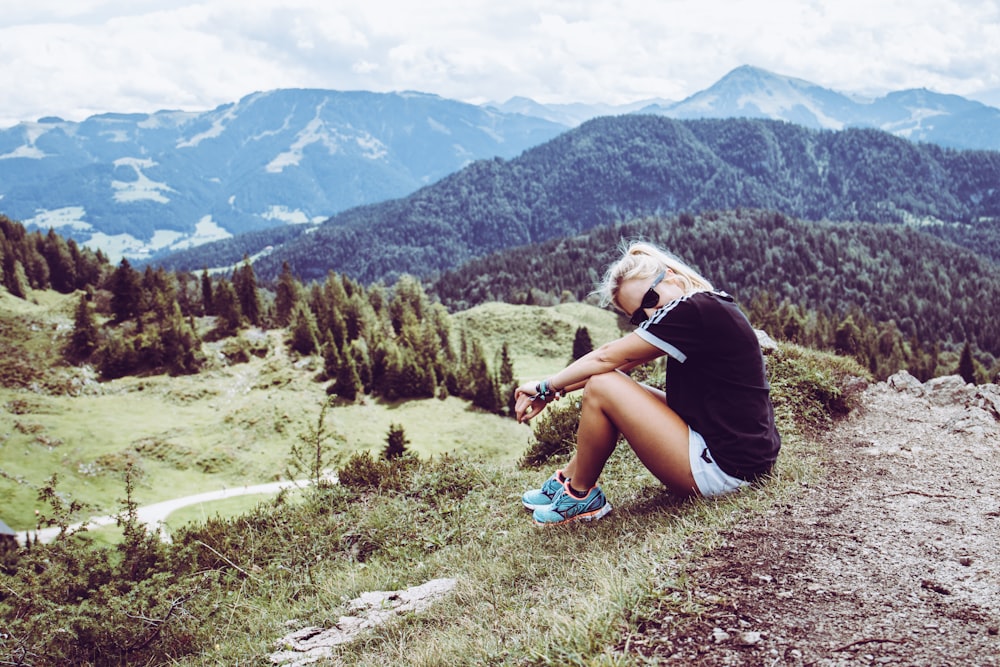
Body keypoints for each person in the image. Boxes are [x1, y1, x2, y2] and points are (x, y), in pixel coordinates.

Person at [514, 240, 781, 526]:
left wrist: (545, 387)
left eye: (650, 300)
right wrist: (558, 389)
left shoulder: (693, 309)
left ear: (672, 277)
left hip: (726, 470)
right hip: (738, 455)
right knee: (607, 384)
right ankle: (570, 478)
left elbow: (606, 358)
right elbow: (621, 363)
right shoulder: (705, 307)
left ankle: (580, 496)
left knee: (604, 387)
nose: (651, 315)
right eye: (640, 316)